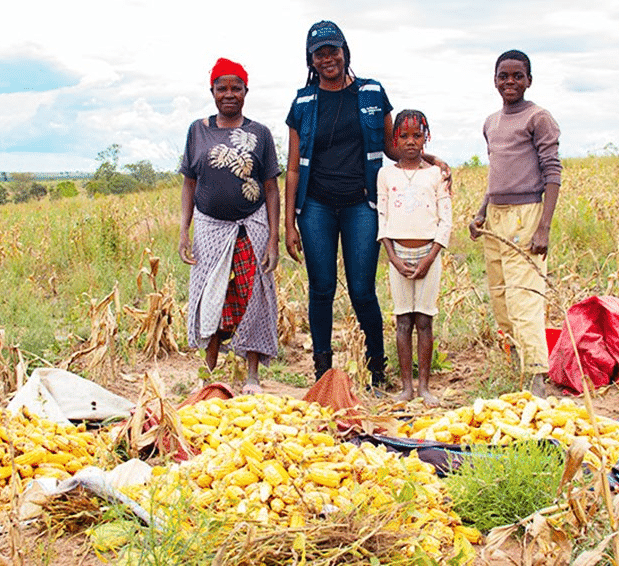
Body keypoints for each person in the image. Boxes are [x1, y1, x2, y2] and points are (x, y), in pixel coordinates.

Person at [284, 20, 450, 389]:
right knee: (322, 287)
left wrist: (432, 159)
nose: (328, 58)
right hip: (315, 207)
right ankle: (322, 371)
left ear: (345, 51)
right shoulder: (303, 102)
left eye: (333, 50)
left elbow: (394, 148)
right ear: (311, 59)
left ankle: (377, 366)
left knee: (362, 289)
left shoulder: (372, 92)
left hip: (362, 204)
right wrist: (289, 223)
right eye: (320, 53)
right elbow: (293, 167)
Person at [179, 57, 281, 395]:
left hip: (252, 223)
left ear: (246, 92)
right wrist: (184, 229)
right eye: (222, 87)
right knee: (211, 293)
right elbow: (189, 183)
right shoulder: (198, 130)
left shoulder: (260, 134)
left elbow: (270, 186)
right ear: (212, 91)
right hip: (209, 225)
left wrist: (273, 239)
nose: (229, 94)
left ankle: (252, 375)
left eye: (236, 87)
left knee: (254, 293)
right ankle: (209, 371)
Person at [468, 49, 561, 398]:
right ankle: (515, 364)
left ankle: (537, 377)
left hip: (527, 214)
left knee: (525, 299)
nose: (510, 82)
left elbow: (552, 172)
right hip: (496, 217)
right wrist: (481, 213)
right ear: (494, 80)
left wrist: (544, 227)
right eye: (503, 76)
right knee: (501, 297)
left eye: (517, 76)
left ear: (529, 81)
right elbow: (497, 176)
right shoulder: (491, 122)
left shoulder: (539, 118)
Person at [377, 110, 452, 406]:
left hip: (428, 255)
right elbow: (382, 217)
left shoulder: (436, 174)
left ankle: (424, 387)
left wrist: (430, 257)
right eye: (404, 136)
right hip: (400, 255)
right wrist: (393, 257)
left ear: (426, 138)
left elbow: (445, 219)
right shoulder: (386, 174)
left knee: (424, 320)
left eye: (417, 136)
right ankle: (406, 387)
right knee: (403, 320)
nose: (411, 142)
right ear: (395, 138)